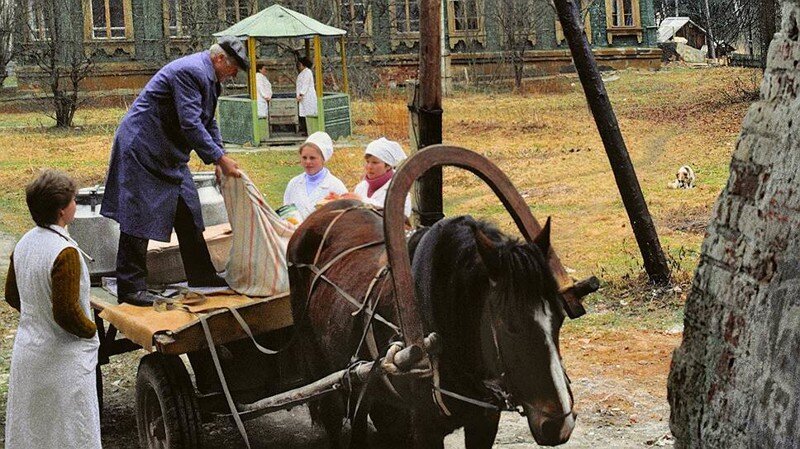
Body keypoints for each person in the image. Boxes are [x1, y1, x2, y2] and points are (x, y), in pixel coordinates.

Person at [101, 36, 245, 306]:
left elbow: (208, 121)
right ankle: (130, 287)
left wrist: (220, 157)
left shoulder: (211, 78)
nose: (235, 73)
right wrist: (219, 159)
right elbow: (190, 123)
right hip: (142, 146)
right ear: (219, 59)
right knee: (139, 214)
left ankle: (201, 274)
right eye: (234, 66)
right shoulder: (190, 72)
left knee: (189, 209)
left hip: (167, 152)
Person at [4, 170, 101, 449]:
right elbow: (67, 314)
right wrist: (93, 327)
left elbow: (12, 295)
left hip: (30, 351)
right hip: (62, 359)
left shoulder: (24, 243)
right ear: (62, 211)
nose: (75, 205)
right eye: (73, 201)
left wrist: (37, 316)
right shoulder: (64, 253)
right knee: (70, 431)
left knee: (36, 431)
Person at [283, 131, 347, 220]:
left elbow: (344, 220)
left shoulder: (336, 186)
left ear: (323, 159)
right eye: (304, 158)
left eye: (312, 158)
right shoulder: (294, 183)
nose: (308, 162)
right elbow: (285, 214)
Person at [350, 137, 412, 217]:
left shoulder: (400, 191)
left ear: (388, 166)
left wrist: (362, 201)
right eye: (367, 162)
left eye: (375, 162)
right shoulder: (361, 188)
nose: (369, 166)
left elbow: (399, 220)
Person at [295, 56, 317, 136]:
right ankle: (306, 131)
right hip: (303, 98)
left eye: (300, 64)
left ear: (302, 64)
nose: (299, 66)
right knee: (303, 114)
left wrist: (301, 94)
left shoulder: (308, 72)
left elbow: (305, 84)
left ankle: (310, 131)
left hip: (307, 96)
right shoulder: (303, 72)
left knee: (308, 113)